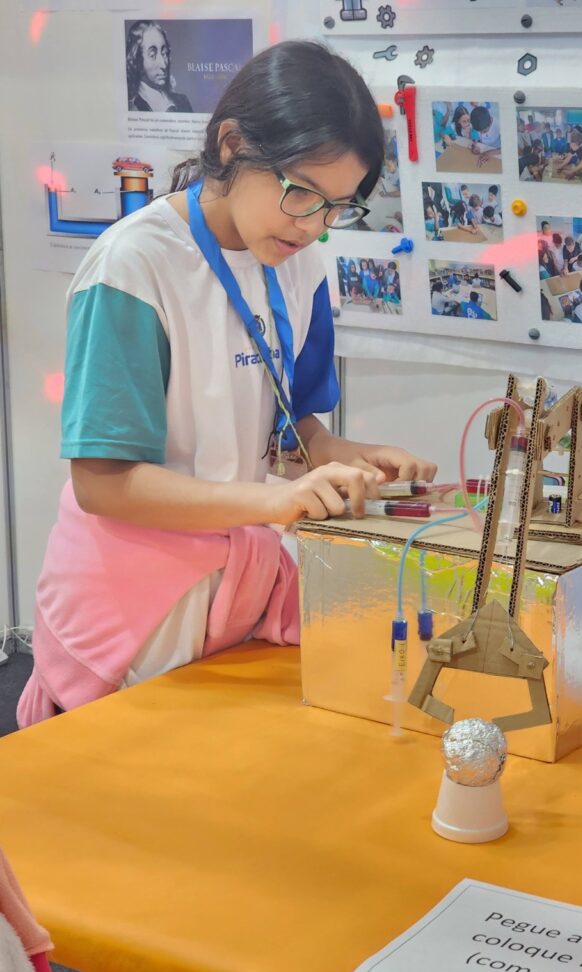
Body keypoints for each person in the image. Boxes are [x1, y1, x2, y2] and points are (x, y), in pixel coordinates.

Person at [19, 39, 436, 730]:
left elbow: (291, 430)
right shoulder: (133, 269)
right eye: (301, 192)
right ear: (233, 143)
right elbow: (103, 483)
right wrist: (276, 504)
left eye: (337, 207)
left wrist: (347, 456)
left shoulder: (300, 265)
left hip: (228, 603)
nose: (313, 226)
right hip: (128, 616)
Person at [126, 21, 192, 113]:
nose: (163, 65)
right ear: (137, 60)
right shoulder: (133, 108)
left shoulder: (183, 102)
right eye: (152, 55)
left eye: (164, 53)